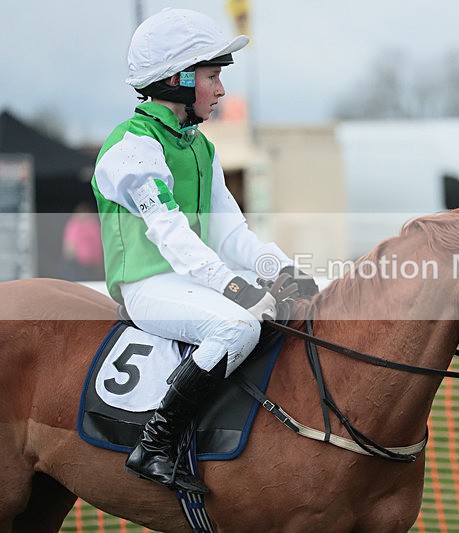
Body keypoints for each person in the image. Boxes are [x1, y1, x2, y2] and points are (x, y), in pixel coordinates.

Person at [91, 8, 318, 494]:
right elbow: (173, 237)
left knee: (281, 310)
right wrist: (236, 287)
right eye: (212, 77)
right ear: (178, 78)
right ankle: (156, 443)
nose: (220, 90)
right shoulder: (130, 148)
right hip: (147, 286)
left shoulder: (200, 147)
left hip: (190, 280)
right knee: (236, 325)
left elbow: (230, 233)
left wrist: (282, 270)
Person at [59, 202, 104, 281]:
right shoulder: (74, 225)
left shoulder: (93, 225)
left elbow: (98, 244)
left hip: (92, 265)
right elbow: (69, 244)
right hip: (78, 264)